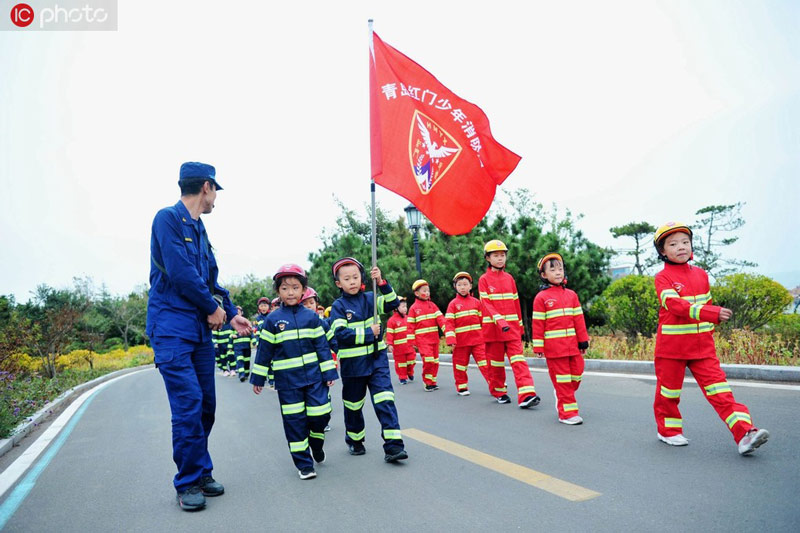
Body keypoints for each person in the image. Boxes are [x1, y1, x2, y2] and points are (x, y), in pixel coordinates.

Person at [146, 161, 252, 511]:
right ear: (206, 186)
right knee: (188, 405)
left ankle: (201, 469)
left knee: (207, 405)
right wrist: (211, 308)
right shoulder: (167, 219)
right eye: (215, 191)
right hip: (172, 330)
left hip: (200, 332)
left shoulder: (200, 229)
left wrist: (232, 313)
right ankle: (187, 481)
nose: (215, 199)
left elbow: (209, 280)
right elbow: (179, 273)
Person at [652, 222, 769, 455]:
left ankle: (746, 433)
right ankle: (668, 431)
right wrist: (712, 313)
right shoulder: (662, 278)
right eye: (673, 244)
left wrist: (709, 325)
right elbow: (676, 306)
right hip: (672, 350)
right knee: (669, 394)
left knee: (721, 392)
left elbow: (704, 307)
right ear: (663, 252)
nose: (681, 247)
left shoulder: (701, 275)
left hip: (702, 349)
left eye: (685, 242)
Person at [251, 265, 338, 479]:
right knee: (295, 422)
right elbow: (264, 352)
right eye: (285, 288)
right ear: (278, 292)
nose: (290, 292)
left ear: (303, 290)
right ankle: (304, 464)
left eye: (295, 287)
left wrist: (328, 373)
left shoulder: (312, 318)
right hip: (288, 383)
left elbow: (321, 347)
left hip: (314, 379)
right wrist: (259, 378)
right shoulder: (272, 321)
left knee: (320, 415)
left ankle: (316, 444)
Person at [329, 257, 408, 463]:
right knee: (354, 406)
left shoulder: (371, 298)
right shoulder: (338, 306)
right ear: (339, 283)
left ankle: (393, 446)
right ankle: (355, 440)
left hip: (376, 360)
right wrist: (368, 332)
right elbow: (340, 335)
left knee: (385, 400)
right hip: (353, 367)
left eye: (355, 277)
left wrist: (382, 282)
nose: (352, 281)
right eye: (347, 279)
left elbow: (393, 303)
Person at [479, 240, 540, 408]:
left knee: (519, 360)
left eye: (503, 255)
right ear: (487, 258)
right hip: (493, 331)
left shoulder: (509, 278)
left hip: (511, 330)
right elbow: (486, 304)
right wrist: (500, 321)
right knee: (496, 364)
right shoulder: (483, 280)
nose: (500, 259)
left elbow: (516, 303)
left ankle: (527, 394)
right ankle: (499, 391)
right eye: (496, 256)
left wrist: (519, 327)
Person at [532, 253, 589, 424]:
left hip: (573, 346)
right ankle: (567, 414)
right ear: (543, 275)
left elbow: (579, 320)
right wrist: (538, 347)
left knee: (577, 375)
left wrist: (583, 340)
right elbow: (538, 324)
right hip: (555, 349)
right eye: (553, 269)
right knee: (563, 380)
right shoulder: (541, 298)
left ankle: (562, 394)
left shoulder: (572, 295)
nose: (558, 272)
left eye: (560, 268)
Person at [444, 272, 490, 396]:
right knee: (460, 365)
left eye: (465, 284)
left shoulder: (476, 303)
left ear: (470, 286)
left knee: (485, 363)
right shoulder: (453, 304)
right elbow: (449, 323)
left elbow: (484, 321)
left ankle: (495, 384)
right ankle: (461, 386)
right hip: (461, 342)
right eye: (459, 285)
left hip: (478, 340)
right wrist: (451, 339)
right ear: (455, 287)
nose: (462, 287)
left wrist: (487, 336)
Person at [407, 280, 446, 392]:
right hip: (423, 340)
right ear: (417, 293)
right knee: (428, 360)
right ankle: (427, 382)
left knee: (435, 361)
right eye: (424, 291)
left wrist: (448, 332)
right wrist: (411, 342)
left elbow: (441, 319)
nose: (427, 293)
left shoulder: (432, 305)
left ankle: (432, 381)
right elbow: (410, 326)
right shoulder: (414, 308)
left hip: (434, 339)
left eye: (428, 290)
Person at [385, 296, 416, 384]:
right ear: (396, 308)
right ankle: (402, 377)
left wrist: (415, 341)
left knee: (412, 360)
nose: (405, 308)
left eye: (406, 306)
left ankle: (410, 372)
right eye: (403, 306)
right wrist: (390, 344)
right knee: (400, 364)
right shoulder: (391, 321)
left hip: (409, 347)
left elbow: (412, 331)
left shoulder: (408, 318)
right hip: (398, 349)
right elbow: (390, 334)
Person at [230, 306, 253, 382]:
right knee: (239, 360)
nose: (237, 313)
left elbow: (251, 332)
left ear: (242, 313)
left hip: (246, 345)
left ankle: (246, 373)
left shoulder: (245, 322)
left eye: (238, 312)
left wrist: (253, 340)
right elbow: (229, 335)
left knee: (247, 360)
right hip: (237, 346)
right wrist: (230, 346)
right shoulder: (233, 324)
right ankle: (241, 374)